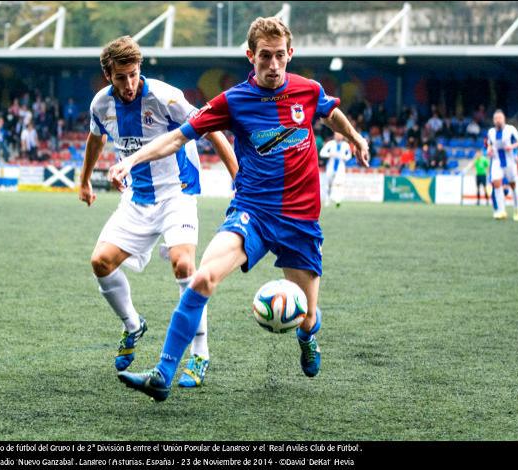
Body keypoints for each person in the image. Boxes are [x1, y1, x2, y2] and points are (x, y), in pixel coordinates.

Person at [108, 17, 369, 401]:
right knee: (201, 279)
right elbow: (176, 138)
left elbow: (330, 113)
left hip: (301, 222)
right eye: (266, 56)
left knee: (308, 316)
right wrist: (129, 162)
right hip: (253, 213)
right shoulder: (232, 101)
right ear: (251, 56)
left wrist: (356, 137)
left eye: (281, 56)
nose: (274, 65)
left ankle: (307, 334)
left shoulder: (307, 91)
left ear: (290, 55)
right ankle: (163, 374)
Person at [80, 36, 237, 388]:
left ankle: (199, 353)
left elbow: (211, 131)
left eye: (134, 74)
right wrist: (85, 181)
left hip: (177, 192)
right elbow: (95, 139)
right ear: (108, 75)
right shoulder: (100, 105)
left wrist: (237, 177)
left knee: (184, 264)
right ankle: (133, 325)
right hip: (137, 197)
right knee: (100, 262)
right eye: (121, 77)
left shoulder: (167, 97)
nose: (129, 84)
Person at [486, 109, 518, 220]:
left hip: (510, 162)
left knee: (513, 186)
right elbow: (489, 144)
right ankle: (502, 211)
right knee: (496, 183)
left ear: (504, 119)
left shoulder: (510, 129)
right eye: (495, 118)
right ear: (493, 121)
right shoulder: (491, 132)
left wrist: (511, 147)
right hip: (497, 161)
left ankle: (516, 208)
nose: (498, 120)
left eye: (500, 118)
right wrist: (489, 150)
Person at [320, 132, 352, 208]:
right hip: (330, 166)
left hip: (340, 167)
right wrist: (329, 154)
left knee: (339, 183)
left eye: (340, 135)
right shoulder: (330, 144)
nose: (339, 136)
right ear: (334, 135)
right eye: (337, 135)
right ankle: (327, 199)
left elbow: (349, 156)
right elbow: (322, 153)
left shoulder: (345, 145)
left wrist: (345, 157)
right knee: (328, 184)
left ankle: (338, 200)